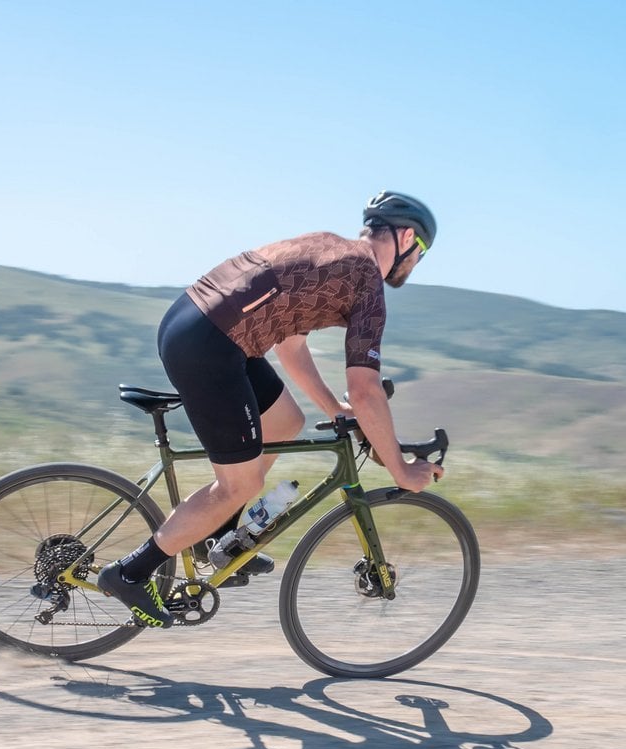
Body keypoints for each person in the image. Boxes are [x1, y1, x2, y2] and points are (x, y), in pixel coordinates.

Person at [97, 191, 445, 628]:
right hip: (212, 345)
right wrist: (399, 469)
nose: (419, 260)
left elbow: (291, 345)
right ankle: (131, 572)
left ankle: (219, 537)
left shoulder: (328, 248)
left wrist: (333, 408)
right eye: (424, 251)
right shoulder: (367, 283)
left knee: (286, 421)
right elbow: (366, 388)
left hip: (194, 322)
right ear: (407, 236)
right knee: (238, 485)